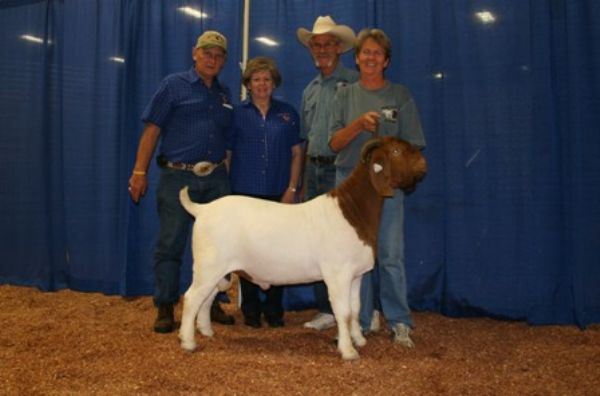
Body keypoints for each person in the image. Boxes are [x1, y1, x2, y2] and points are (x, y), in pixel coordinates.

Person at [128, 31, 236, 333]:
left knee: (220, 247)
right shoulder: (173, 86)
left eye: (218, 55)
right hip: (178, 175)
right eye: (207, 53)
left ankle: (211, 302)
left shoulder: (225, 94)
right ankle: (165, 305)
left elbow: (227, 142)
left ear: (224, 60)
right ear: (195, 54)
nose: (212, 59)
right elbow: (152, 131)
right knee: (170, 242)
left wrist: (226, 175)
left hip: (215, 178)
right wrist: (139, 172)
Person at [329, 28, 426, 347]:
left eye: (377, 54)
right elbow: (333, 143)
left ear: (386, 61)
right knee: (351, 257)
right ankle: (360, 319)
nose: (371, 58)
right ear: (356, 58)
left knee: (390, 254)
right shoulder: (343, 95)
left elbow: (413, 146)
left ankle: (399, 321)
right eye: (365, 52)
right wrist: (358, 125)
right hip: (349, 188)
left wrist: (390, 153)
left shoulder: (400, 95)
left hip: (386, 191)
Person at [227, 56, 303, 328]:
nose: (262, 84)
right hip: (245, 195)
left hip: (278, 195)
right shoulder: (236, 114)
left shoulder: (288, 114)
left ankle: (274, 310)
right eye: (256, 79)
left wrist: (292, 189)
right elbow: (228, 154)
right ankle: (250, 311)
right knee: (248, 253)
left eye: (267, 79)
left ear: (274, 84)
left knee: (279, 253)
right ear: (248, 83)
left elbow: (297, 153)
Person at [296, 15, 359, 331]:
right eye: (316, 45)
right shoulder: (309, 90)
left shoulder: (353, 85)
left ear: (339, 48)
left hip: (342, 171)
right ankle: (327, 309)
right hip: (314, 170)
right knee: (317, 241)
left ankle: (358, 309)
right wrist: (303, 183)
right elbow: (306, 139)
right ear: (311, 50)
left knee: (349, 241)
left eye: (327, 44)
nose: (321, 50)